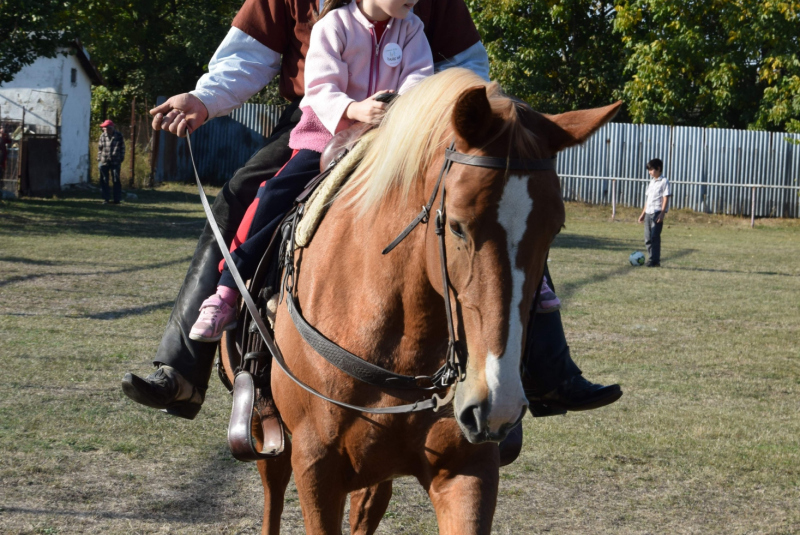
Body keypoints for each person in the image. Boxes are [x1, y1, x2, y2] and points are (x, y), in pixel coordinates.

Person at [121, 0, 621, 421]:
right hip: (322, 123)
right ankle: (184, 368)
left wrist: (430, 118)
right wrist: (204, 98)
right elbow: (247, 59)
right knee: (242, 196)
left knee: (496, 208)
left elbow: (471, 69)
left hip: (420, 128)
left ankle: (551, 373)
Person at [188, 0, 434, 342]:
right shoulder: (333, 25)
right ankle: (227, 293)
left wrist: (401, 111)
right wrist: (355, 108)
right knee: (273, 194)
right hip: (326, 133)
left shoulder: (413, 30)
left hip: (390, 137)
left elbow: (419, 82)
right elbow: (320, 88)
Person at [637, 158, 671, 267]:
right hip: (648, 212)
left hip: (657, 212)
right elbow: (648, 200)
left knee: (654, 237)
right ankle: (651, 258)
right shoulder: (651, 182)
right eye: (649, 170)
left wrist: (662, 213)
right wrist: (643, 214)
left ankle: (655, 261)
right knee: (647, 238)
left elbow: (666, 198)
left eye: (651, 170)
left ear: (658, 168)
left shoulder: (664, 181)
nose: (649, 172)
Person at [97, 119, 125, 204]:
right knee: (104, 179)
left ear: (110, 128)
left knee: (116, 179)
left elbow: (122, 148)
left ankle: (117, 199)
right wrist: (99, 158)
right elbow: (100, 148)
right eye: (103, 128)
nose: (104, 129)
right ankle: (106, 199)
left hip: (115, 161)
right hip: (104, 160)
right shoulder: (102, 136)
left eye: (105, 128)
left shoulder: (119, 136)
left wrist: (121, 158)